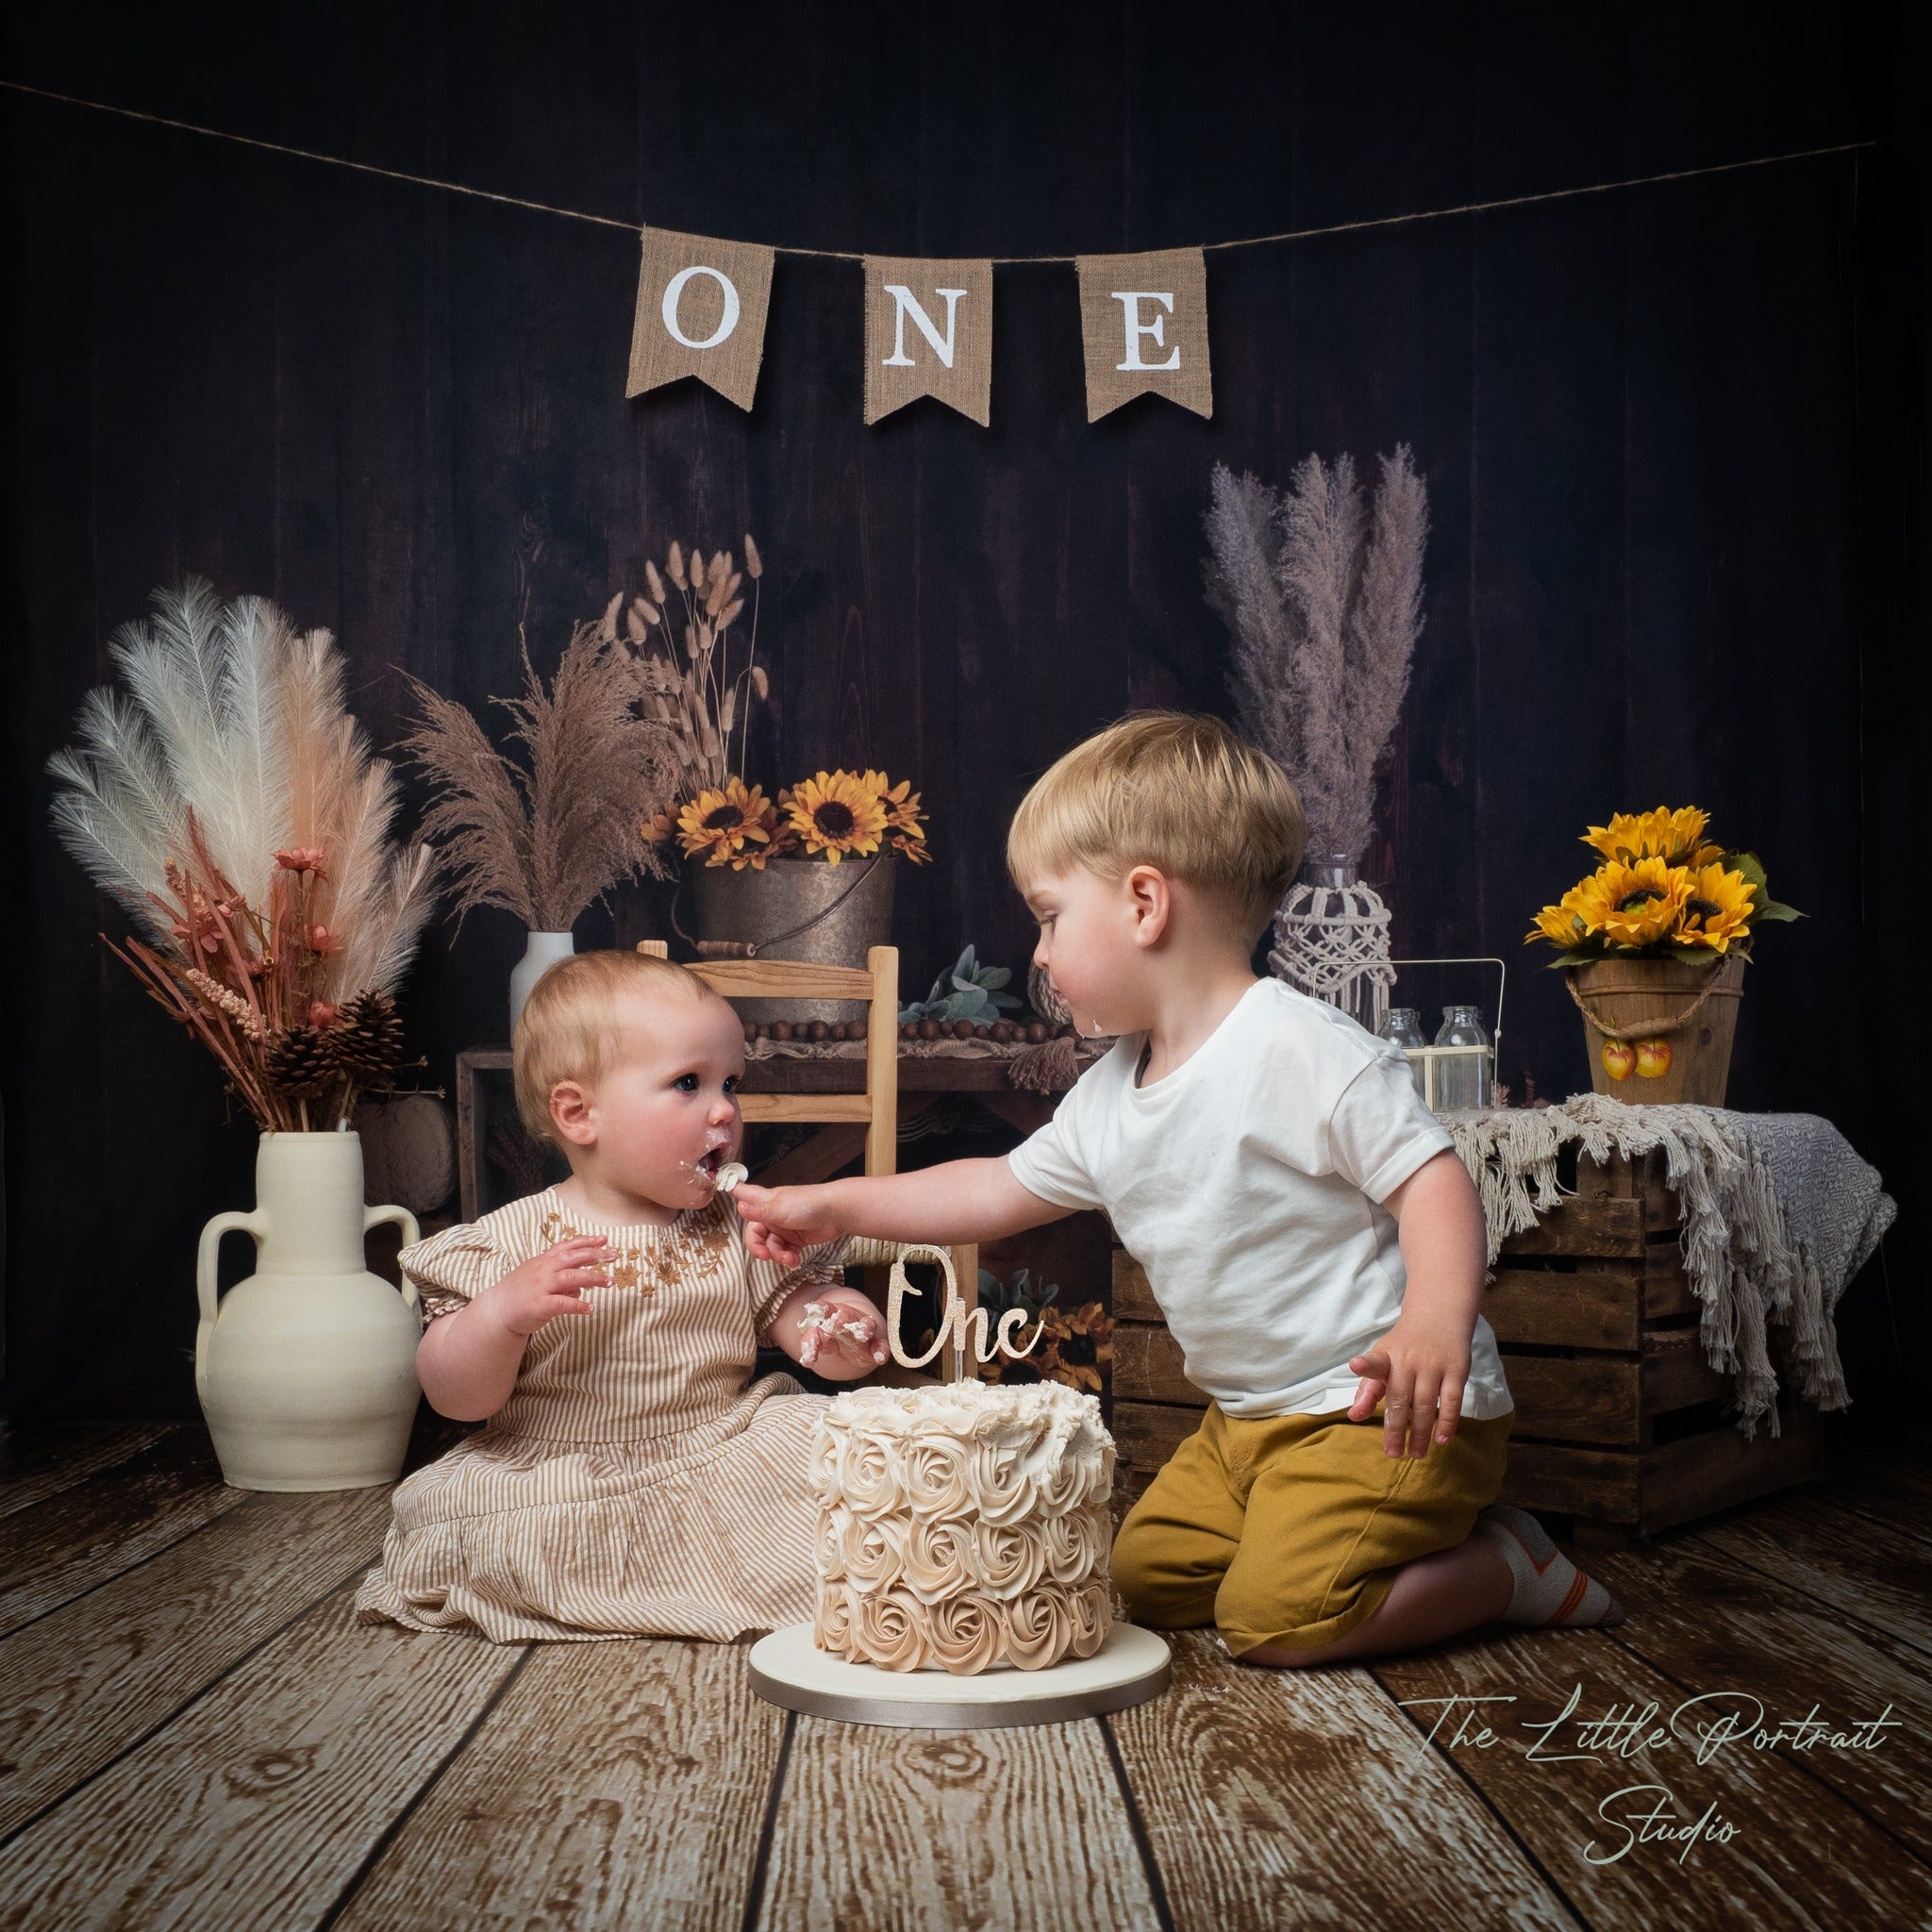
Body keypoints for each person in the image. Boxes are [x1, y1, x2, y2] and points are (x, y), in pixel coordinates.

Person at [734, 712, 1623, 1666]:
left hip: (1375, 1415)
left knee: (1272, 1621)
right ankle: (1309, 1533)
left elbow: (1433, 1180)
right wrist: (834, 1207)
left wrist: (1433, 1324)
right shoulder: (1113, 1088)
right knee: (1143, 1578)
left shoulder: (1296, 1047)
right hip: (1245, 1422)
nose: (1035, 953)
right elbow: (993, 1187)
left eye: (1047, 916)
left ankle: (1506, 1565)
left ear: (1145, 904)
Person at [355, 949, 893, 1643]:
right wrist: (500, 1315)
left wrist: (840, 1327)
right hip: (560, 1466)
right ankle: (621, 1577)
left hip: (718, 1446)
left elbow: (801, 1323)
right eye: (688, 1084)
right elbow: (455, 1397)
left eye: (732, 1083)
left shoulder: (736, 1227)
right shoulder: (511, 1242)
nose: (725, 1111)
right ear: (580, 1115)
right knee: (494, 1519)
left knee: (836, 1449)